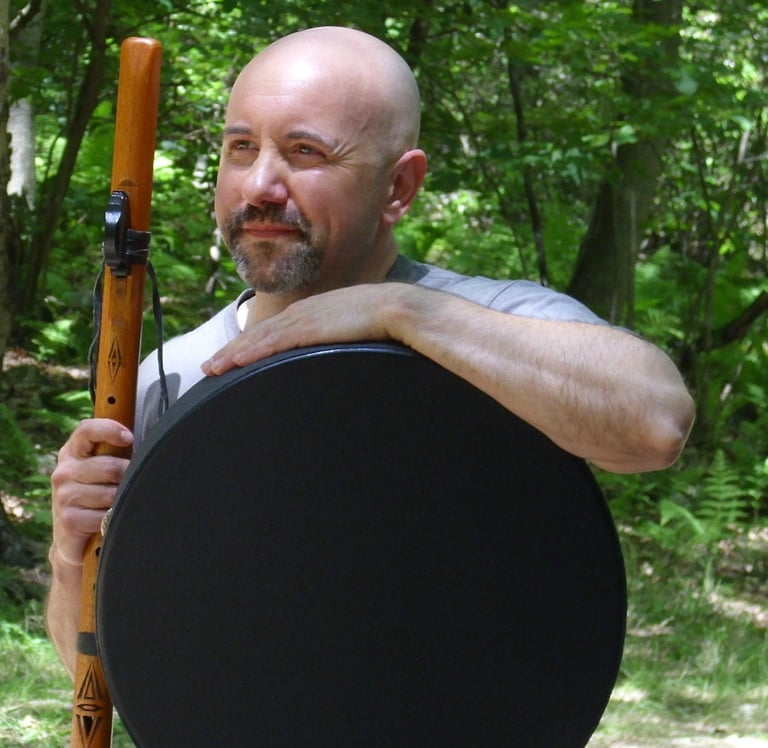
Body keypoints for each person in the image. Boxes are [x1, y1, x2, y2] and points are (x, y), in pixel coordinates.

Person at [46, 25, 695, 675]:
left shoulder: (488, 326)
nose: (260, 185)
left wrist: (399, 311)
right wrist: (71, 554)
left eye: (306, 152)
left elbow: (656, 424)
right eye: (241, 148)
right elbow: (105, 672)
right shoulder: (169, 378)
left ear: (399, 188)